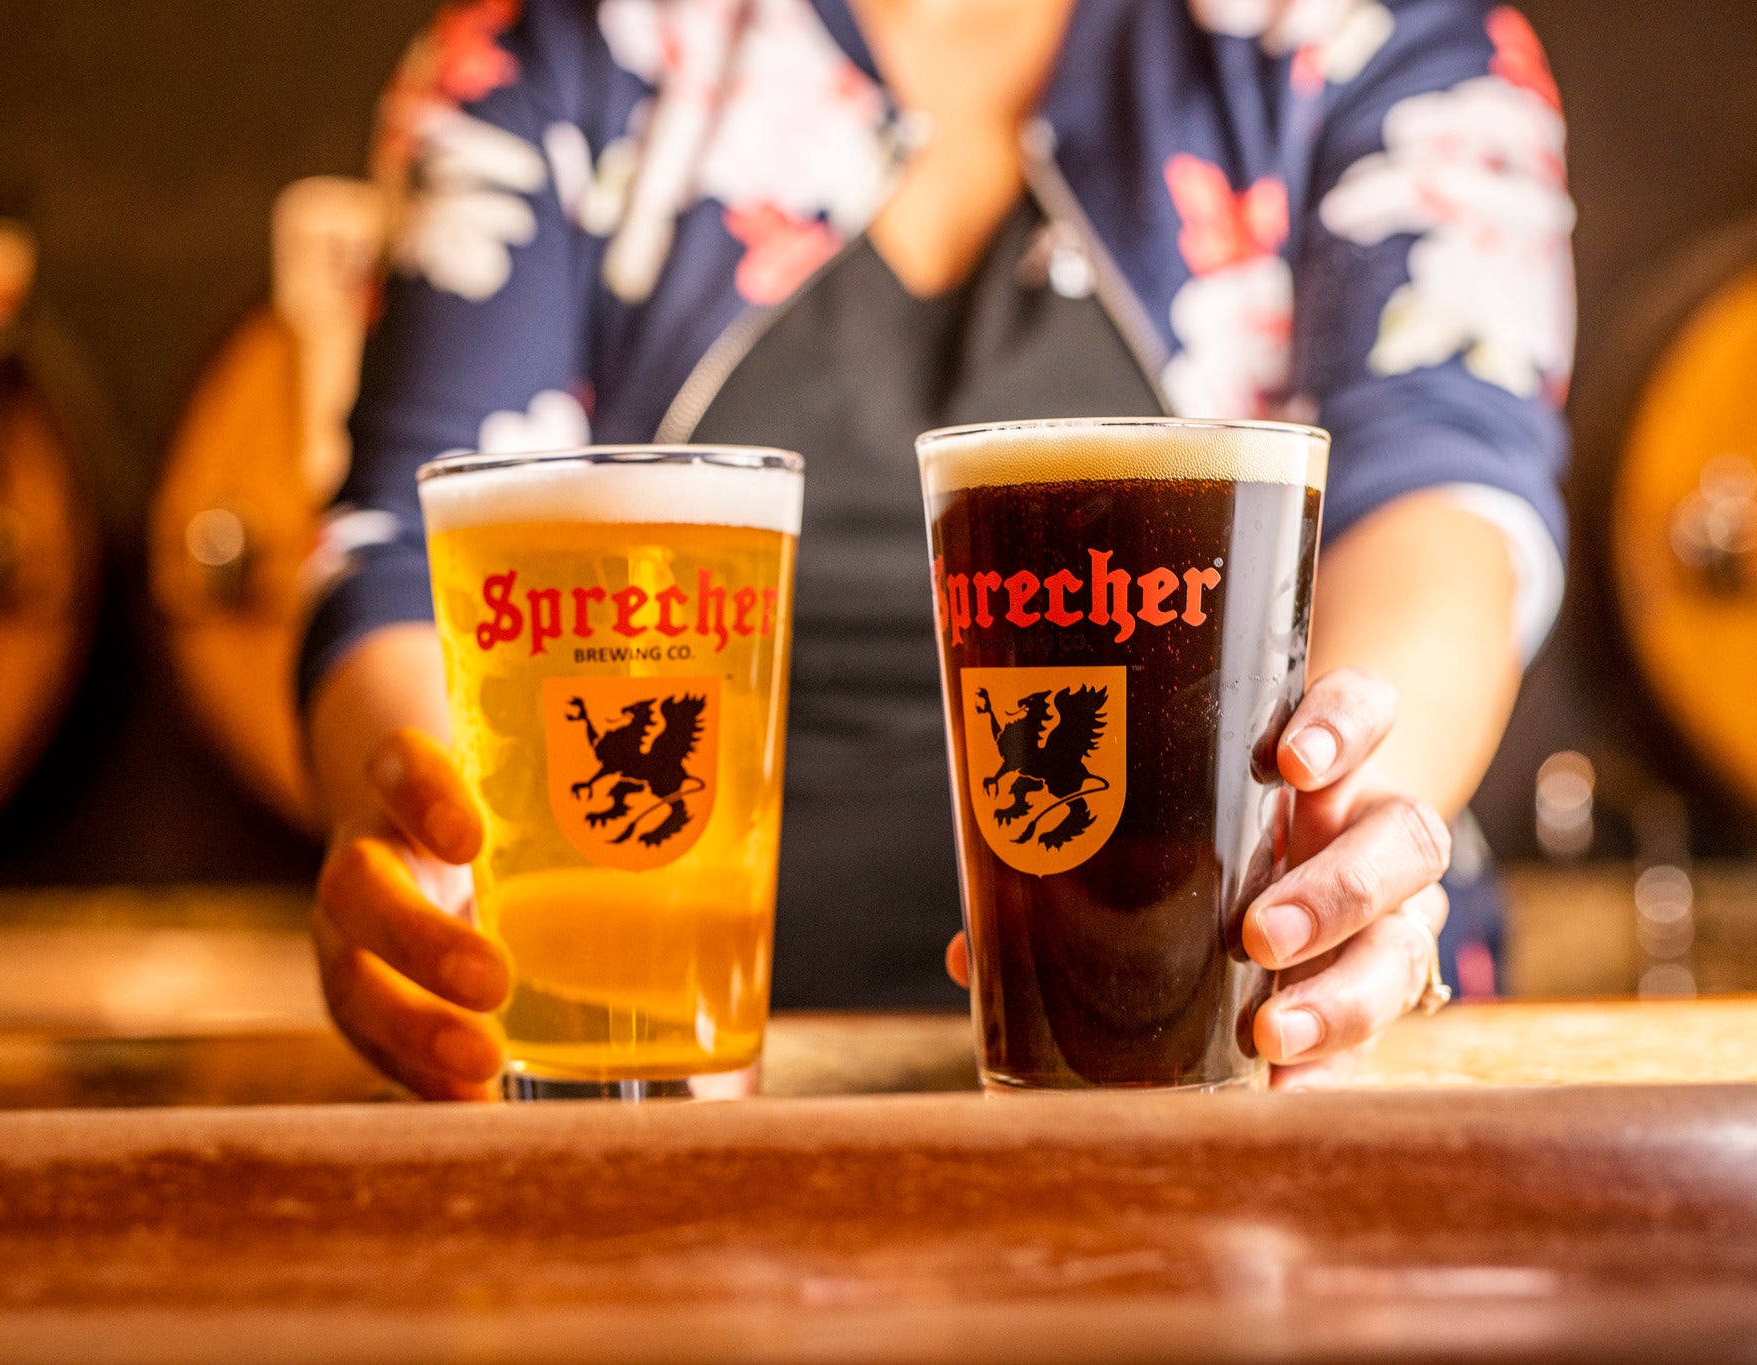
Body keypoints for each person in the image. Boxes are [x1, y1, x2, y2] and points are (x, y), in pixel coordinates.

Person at [298, 0, 1575, 1099]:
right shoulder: (559, 44)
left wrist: (1333, 832)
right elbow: (411, 557)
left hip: (1257, 1051)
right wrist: (446, 862)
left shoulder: (1366, 31)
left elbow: (1444, 500)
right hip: (683, 1088)